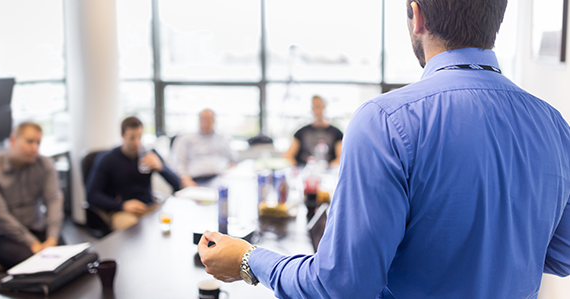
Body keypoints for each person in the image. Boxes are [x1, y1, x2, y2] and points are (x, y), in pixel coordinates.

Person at [197, 1, 570, 298]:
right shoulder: (555, 125)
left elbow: (341, 286)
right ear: (497, 19)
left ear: (417, 15)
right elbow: (561, 254)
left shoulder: (386, 120)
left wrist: (248, 260)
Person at [0, 122, 64, 269]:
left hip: (35, 225)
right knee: (35, 262)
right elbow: (0, 215)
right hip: (2, 233)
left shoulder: (45, 164)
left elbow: (53, 200)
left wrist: (52, 238)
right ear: (12, 140)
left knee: (64, 253)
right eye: (29, 141)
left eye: (38, 143)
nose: (34, 148)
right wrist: (32, 243)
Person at [86, 116, 181, 230]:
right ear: (122, 135)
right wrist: (122, 205)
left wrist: (161, 168)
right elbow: (92, 195)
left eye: (140, 137)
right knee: (133, 232)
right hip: (123, 210)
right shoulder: (108, 160)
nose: (137, 143)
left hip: (149, 206)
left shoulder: (149, 154)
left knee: (171, 223)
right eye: (132, 138)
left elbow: (177, 184)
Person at [170, 109, 237, 187]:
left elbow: (233, 160)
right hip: (196, 180)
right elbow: (178, 163)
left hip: (220, 178)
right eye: (203, 119)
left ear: (214, 121)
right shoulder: (186, 139)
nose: (205, 122)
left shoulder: (223, 138)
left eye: (208, 119)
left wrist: (227, 175)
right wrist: (187, 181)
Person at [283, 96, 343, 166]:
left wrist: (328, 168)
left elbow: (341, 157)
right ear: (312, 108)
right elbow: (289, 155)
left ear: (324, 107)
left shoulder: (336, 133)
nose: (318, 110)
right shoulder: (301, 132)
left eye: (319, 106)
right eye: (315, 106)